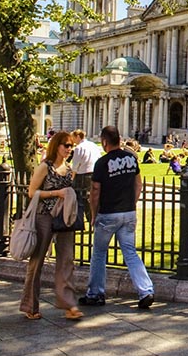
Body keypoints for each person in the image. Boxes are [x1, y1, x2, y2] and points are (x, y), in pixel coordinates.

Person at [80, 126, 154, 309]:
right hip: (128, 212)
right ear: (119, 139)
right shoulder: (132, 158)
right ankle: (146, 290)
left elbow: (95, 191)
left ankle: (96, 293)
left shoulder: (102, 163)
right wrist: (132, 204)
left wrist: (93, 213)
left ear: (104, 142)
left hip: (108, 213)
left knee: (98, 253)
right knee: (130, 252)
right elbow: (138, 184)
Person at [20, 131, 82, 320]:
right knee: (37, 261)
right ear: (57, 146)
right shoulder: (45, 167)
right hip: (44, 216)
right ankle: (30, 305)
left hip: (63, 218)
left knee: (66, 260)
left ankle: (69, 305)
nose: (69, 149)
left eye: (71, 146)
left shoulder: (70, 169)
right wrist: (57, 193)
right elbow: (32, 192)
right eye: (66, 145)